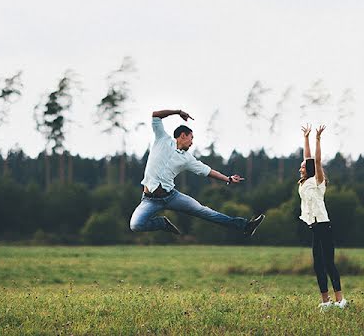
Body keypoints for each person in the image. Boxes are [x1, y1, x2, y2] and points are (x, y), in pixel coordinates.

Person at [129, 108, 265, 237]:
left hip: (172, 197)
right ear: (183, 135)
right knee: (136, 225)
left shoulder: (187, 158)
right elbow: (156, 115)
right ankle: (162, 223)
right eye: (191, 138)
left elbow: (208, 171)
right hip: (150, 200)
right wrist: (178, 112)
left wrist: (227, 179)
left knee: (205, 212)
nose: (192, 143)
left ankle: (245, 226)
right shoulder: (162, 139)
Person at [298, 124, 348, 310]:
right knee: (318, 265)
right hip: (313, 226)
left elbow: (316, 162)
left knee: (328, 263)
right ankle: (325, 302)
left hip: (323, 225)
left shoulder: (318, 181)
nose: (301, 167)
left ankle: (340, 300)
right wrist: (306, 137)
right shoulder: (304, 183)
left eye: (303, 166)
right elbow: (308, 158)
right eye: (302, 166)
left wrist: (317, 139)